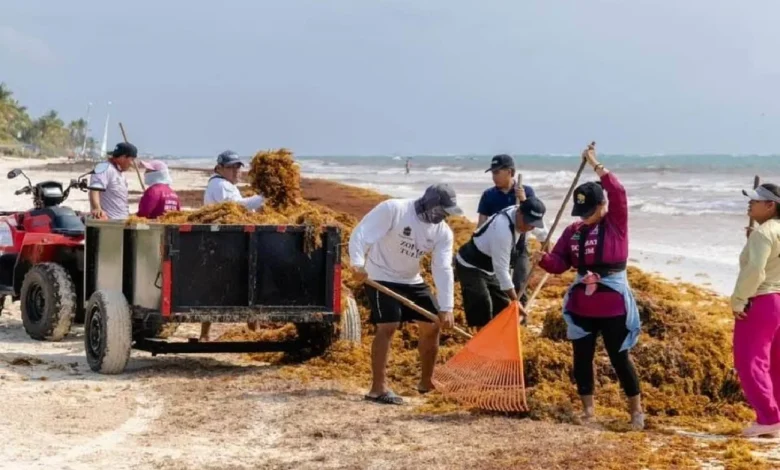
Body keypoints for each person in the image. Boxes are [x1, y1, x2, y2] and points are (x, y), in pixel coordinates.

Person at [537, 143, 644, 430]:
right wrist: (542, 259)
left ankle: (636, 412)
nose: (583, 216)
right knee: (581, 358)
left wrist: (594, 162)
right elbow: (559, 263)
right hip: (582, 305)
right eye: (580, 210)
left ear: (602, 205)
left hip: (613, 305)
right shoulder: (573, 231)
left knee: (620, 357)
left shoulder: (615, 224)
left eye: (588, 210)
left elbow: (618, 191)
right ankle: (588, 411)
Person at [349, 184, 461, 404]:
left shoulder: (443, 232)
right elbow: (361, 234)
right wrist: (357, 264)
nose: (443, 217)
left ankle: (426, 382)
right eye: (441, 211)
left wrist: (447, 306)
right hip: (379, 275)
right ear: (429, 203)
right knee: (388, 326)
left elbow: (442, 267)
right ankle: (377, 389)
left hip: (411, 280)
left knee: (433, 324)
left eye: (447, 213)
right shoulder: (394, 209)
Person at [731, 183, 780, 437]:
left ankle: (769, 417)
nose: (749, 204)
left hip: (762, 301)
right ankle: (776, 417)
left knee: (749, 361)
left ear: (770, 205)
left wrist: (738, 300)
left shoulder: (764, 234)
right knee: (776, 363)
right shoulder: (770, 231)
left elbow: (755, 272)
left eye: (755, 201)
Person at [200, 150, 265, 341]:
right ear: (219, 168)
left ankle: (205, 334)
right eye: (231, 167)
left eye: (238, 167)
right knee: (248, 287)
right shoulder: (221, 185)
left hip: (226, 242)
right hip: (228, 243)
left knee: (216, 289)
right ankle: (255, 333)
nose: (236, 171)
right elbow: (236, 207)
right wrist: (263, 197)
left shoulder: (222, 184)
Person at [455, 197, 547, 329]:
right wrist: (516, 301)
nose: (529, 227)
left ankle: (498, 340)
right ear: (519, 212)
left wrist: (548, 254)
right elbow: (502, 271)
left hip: (491, 268)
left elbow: (543, 233)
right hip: (471, 265)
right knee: (482, 305)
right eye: (527, 222)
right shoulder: (502, 229)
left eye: (533, 224)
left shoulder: (527, 221)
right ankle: (482, 342)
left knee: (503, 307)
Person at [477, 154, 548, 304]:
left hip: (519, 247)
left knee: (520, 287)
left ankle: (521, 324)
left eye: (497, 172)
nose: (493, 177)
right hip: (495, 248)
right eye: (492, 173)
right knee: (497, 288)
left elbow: (533, 218)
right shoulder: (488, 195)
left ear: (509, 172)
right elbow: (481, 225)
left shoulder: (526, 192)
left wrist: (523, 200)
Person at [89, 142, 137, 220]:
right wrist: (97, 208)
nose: (132, 163)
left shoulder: (119, 172)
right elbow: (94, 189)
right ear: (123, 157)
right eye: (131, 159)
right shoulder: (104, 168)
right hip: (109, 221)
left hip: (122, 220)